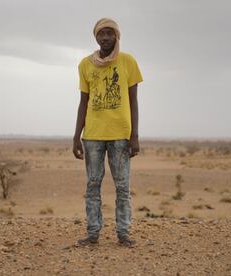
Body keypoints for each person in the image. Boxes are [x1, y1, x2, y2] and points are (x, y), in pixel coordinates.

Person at [72, 17, 143, 247]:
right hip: (92, 135)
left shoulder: (127, 62)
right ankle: (93, 232)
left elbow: (133, 101)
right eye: (101, 34)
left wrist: (135, 135)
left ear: (117, 36)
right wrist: (76, 136)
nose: (105, 38)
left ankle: (123, 233)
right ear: (96, 37)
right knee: (93, 184)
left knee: (122, 186)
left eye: (110, 34)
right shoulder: (85, 64)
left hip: (120, 135)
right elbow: (83, 102)